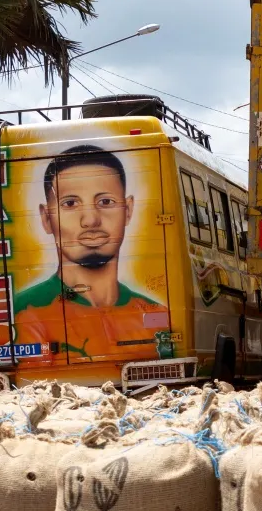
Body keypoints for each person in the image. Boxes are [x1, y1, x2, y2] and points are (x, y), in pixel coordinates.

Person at [12, 144, 168, 363]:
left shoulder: (156, 315)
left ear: (128, 209)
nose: (90, 220)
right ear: (47, 218)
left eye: (105, 202)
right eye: (71, 203)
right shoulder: (24, 310)